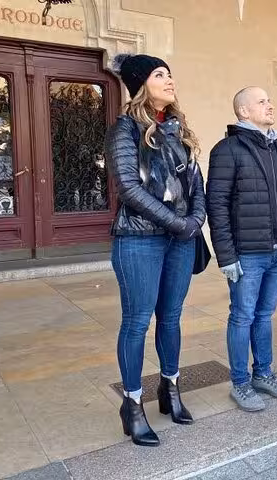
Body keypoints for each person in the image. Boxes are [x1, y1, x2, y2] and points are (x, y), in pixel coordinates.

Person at [106, 54, 206, 446]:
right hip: (139, 240)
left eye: (170, 73)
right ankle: (132, 404)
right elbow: (129, 189)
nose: (170, 80)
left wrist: (195, 220)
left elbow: (196, 183)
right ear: (140, 84)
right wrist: (180, 223)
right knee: (136, 322)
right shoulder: (125, 130)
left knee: (172, 318)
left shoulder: (179, 130)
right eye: (159, 74)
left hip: (180, 239)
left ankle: (170, 389)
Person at [206, 86, 277, 412]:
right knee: (243, 316)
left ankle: (263, 373)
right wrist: (226, 256)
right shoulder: (227, 150)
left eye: (269, 100)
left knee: (264, 315)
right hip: (247, 253)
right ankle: (240, 382)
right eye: (262, 101)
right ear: (244, 111)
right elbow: (216, 205)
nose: (270, 105)